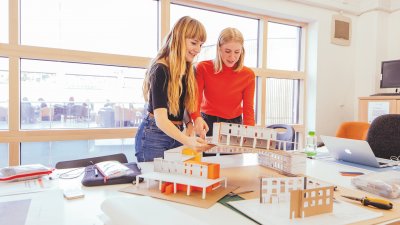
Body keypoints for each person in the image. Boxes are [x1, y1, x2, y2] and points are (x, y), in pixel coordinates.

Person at [135, 16, 208, 162]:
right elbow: (161, 119)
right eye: (194, 43)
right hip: (154, 135)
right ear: (179, 38)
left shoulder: (187, 70)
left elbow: (181, 104)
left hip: (176, 133)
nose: (198, 49)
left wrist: (189, 124)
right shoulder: (160, 70)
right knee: (154, 182)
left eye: (201, 45)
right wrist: (188, 141)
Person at [192, 27, 256, 138]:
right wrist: (196, 118)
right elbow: (195, 99)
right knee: (203, 155)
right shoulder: (203, 68)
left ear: (242, 51)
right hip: (207, 121)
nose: (232, 57)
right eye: (227, 51)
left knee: (234, 156)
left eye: (237, 52)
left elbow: (248, 108)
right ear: (219, 48)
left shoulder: (248, 75)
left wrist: (249, 132)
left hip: (234, 124)